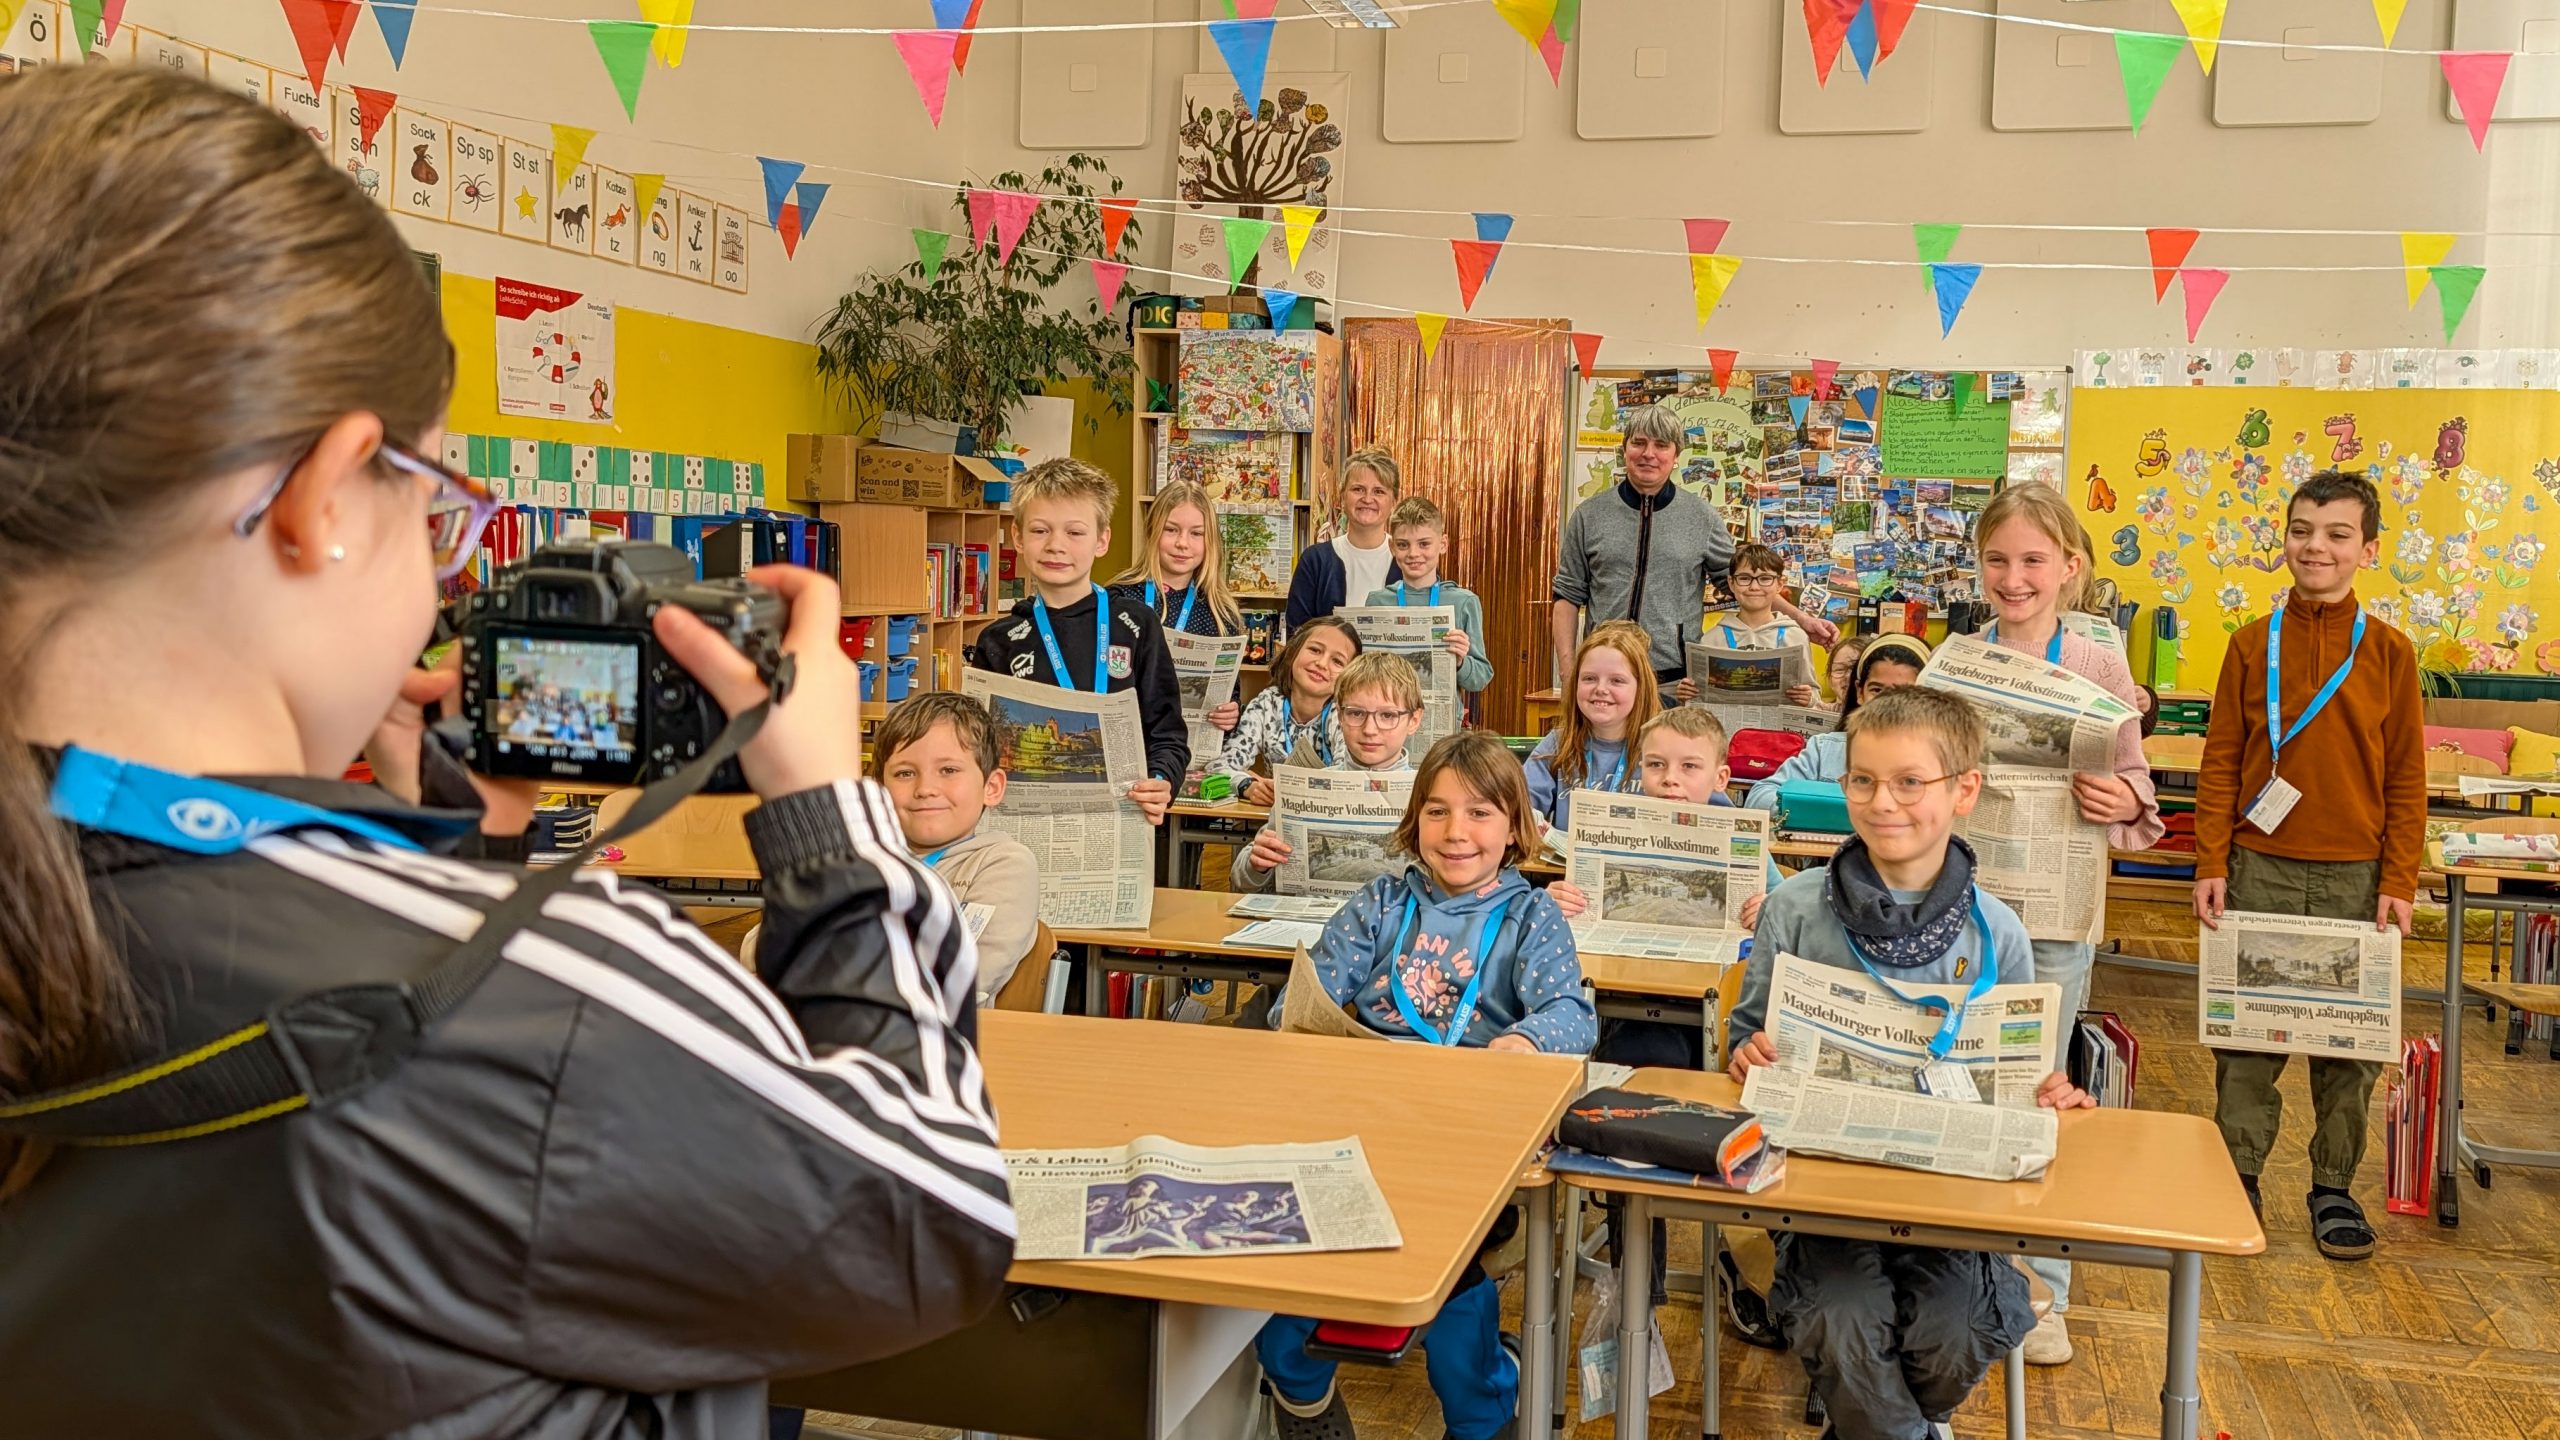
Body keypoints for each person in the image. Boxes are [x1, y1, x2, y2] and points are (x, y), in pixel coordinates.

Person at [0, 67, 1011, 1437]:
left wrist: (457, 851)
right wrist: (834, 828)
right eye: (432, 507)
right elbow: (934, 1213)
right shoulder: (527, 985)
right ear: (318, 503)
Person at [1727, 689, 2095, 1440]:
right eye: (1862, 780)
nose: (1881, 801)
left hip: (1951, 1210)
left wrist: (2055, 1095)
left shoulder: (2001, 932)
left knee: (1958, 1330)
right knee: (1838, 1317)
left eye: (1908, 782)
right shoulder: (1795, 909)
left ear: (1964, 790)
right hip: (1823, 1202)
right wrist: (1746, 1053)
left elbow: (2029, 1087)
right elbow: (1740, 1040)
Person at [1257, 731, 1593, 1440]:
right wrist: (1301, 1012)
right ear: (1414, 823)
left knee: (1456, 1329)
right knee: (1285, 1310)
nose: (1456, 832)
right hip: (1365, 1127)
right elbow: (1311, 991)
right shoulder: (1383, 902)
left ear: (1514, 829)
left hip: (1467, 1144)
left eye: (1479, 814)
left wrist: (1523, 1040)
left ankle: (1480, 1416)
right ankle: (1305, 1403)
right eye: (1436, 813)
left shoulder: (1531, 917)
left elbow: (1572, 1014)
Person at [2194, 470, 2423, 1264]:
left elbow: (2405, 778)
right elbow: (2222, 758)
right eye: (2301, 530)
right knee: (2249, 1037)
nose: (2314, 546)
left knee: (2350, 1044)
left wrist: (2398, 880)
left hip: (2357, 874)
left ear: (2368, 549)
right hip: (2260, 864)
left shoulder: (2390, 651)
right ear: (2284, 539)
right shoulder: (2250, 644)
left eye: (2334, 534)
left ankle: (2333, 1185)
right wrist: (2210, 858)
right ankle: (2238, 1175)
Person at [1969, 483, 2164, 1363]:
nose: (2015, 578)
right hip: (1967, 903)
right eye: (1999, 560)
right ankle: (1963, 1273)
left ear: (2070, 569)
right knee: (1966, 1071)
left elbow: (2136, 777)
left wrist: (2123, 793)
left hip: (2055, 908)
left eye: (2033, 561)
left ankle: (2044, 1293)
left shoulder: (2099, 664)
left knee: (2041, 1081)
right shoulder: (1959, 658)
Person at [1547, 705, 1789, 1350]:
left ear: (1721, 775)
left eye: (1688, 767)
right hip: (1621, 1016)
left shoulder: (1744, 843)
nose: (1669, 780)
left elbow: (1789, 913)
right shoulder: (1606, 826)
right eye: (1655, 766)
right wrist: (1558, 900)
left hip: (1708, 1027)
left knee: (1682, 1087)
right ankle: (1638, 1288)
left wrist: (1773, 905)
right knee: (1631, 1102)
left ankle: (1755, 1268)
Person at [1550, 404, 1836, 693]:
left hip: (1673, 682)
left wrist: (1801, 619)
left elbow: (1744, 583)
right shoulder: (1589, 515)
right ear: (1625, 450)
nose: (1649, 453)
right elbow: (1567, 596)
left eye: (1661, 445)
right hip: (1601, 678)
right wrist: (1568, 670)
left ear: (1676, 456)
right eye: (1639, 442)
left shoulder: (1702, 517)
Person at [969, 457, 1185, 824]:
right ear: (1018, 537)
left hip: (1124, 821)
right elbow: (978, 750)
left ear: (1102, 540)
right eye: (1040, 531)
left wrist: (1162, 780)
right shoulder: (999, 641)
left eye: (1074, 532)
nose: (1056, 545)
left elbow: (1167, 734)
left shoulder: (1133, 625)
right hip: (1023, 829)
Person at [871, 692, 1042, 1003]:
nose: (925, 789)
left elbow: (961, 976)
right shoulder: (855, 860)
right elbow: (761, 950)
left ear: (991, 788)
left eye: (948, 770)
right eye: (905, 773)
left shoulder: (1004, 865)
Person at [1233, 651, 1426, 893]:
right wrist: (1256, 865)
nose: (1370, 729)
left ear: (1414, 720)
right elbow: (1240, 881)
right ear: (1340, 715)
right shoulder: (1304, 787)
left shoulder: (1430, 793)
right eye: (1356, 713)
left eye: (1387, 715)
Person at [1109, 480, 1245, 733]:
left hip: (1192, 752)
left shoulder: (1221, 613)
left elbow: (1230, 694)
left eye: (1196, 533)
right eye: (1171, 530)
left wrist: (1232, 712)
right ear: (1152, 532)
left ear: (1211, 542)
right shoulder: (1119, 599)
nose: (1183, 543)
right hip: (1131, 739)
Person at [1743, 634, 1931, 812]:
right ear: (1860, 692)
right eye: (1876, 690)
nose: (1887, 703)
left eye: (1903, 692)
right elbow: (1759, 797)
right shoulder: (1825, 749)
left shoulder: (1936, 758)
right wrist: (1828, 803)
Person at [1523, 620, 1660, 834]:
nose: (1601, 689)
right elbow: (1519, 808)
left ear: (1641, 688)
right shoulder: (1558, 744)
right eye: (1589, 678)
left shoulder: (1668, 747)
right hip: (1570, 866)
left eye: (1616, 681)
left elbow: (1719, 819)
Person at [1214, 615, 1361, 807]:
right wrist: (1247, 785)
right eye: (1315, 650)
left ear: (1350, 675)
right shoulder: (1267, 703)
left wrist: (1291, 788)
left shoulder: (1345, 713)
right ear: (1293, 652)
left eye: (1337, 662)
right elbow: (1220, 767)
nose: (1322, 664)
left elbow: (1346, 775)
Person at [1363, 494, 1493, 700]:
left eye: (1424, 544)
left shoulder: (1464, 602)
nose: (1413, 553)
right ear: (1392, 547)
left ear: (1443, 544)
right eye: (1403, 545)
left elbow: (1480, 679)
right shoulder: (1377, 601)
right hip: (1388, 721)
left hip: (1445, 728)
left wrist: (1460, 661)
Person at [1673, 542, 1817, 707]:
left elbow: (1814, 694)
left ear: (1780, 584)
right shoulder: (1712, 640)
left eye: (1765, 579)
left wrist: (1809, 698)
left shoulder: (1796, 636)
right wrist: (1687, 696)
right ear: (1731, 583)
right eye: (1744, 578)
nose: (1754, 587)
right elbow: (1701, 702)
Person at [1283, 447, 1401, 632]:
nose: (1367, 498)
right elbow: (1296, 635)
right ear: (1342, 496)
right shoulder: (1315, 561)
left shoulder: (1411, 560)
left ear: (1394, 501)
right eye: (1358, 489)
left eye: (1378, 491)